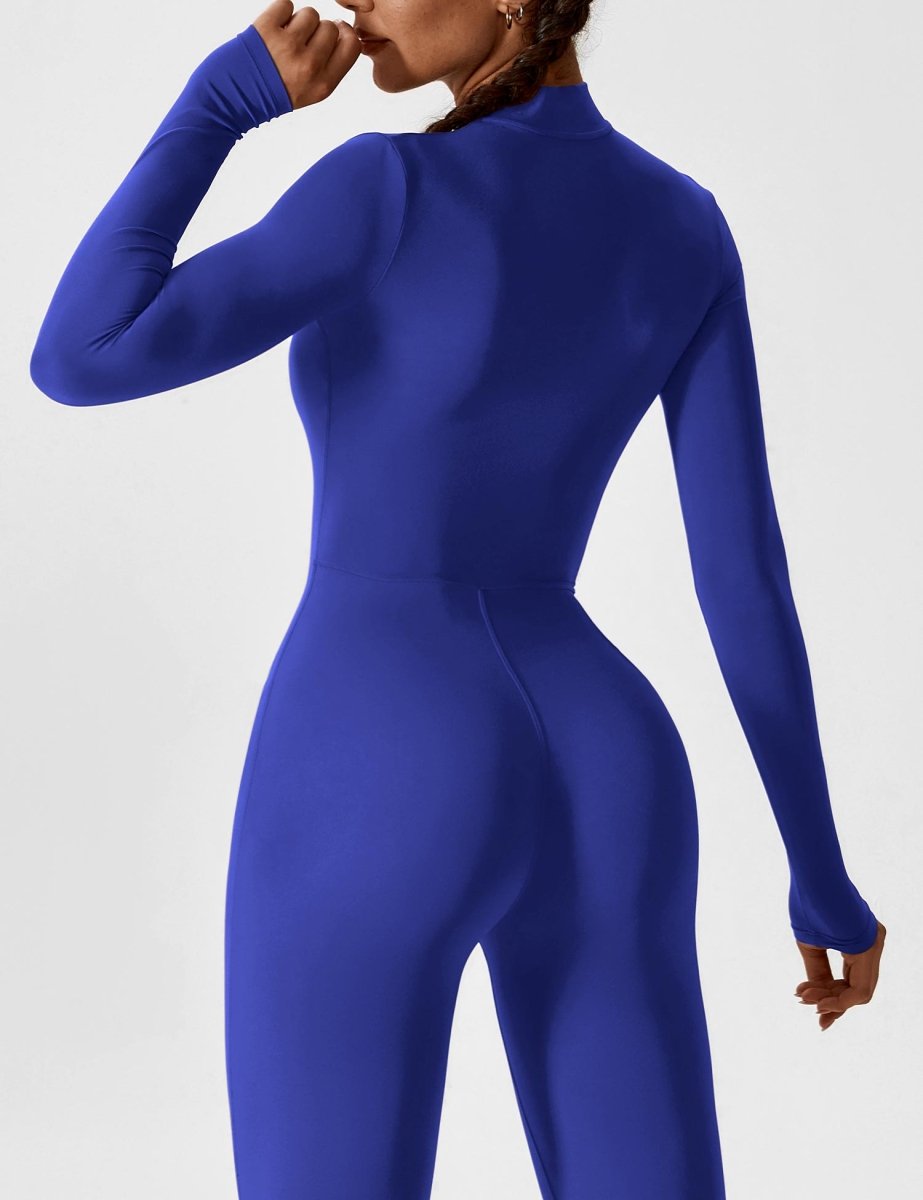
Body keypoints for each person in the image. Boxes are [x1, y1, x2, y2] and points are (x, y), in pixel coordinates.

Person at [29, 1, 886, 1195]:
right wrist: (819, 874)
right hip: (606, 759)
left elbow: (80, 355)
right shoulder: (683, 225)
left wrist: (220, 104)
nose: (358, 2)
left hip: (374, 737)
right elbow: (740, 576)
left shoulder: (385, 190)